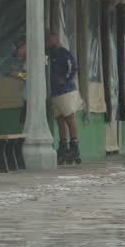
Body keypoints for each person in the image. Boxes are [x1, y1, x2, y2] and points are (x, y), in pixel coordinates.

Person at [46, 32, 82, 165]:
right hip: (55, 91)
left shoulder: (63, 53)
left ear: (55, 39)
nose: (48, 42)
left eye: (50, 39)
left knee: (69, 117)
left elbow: (73, 67)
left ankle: (74, 146)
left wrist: (65, 79)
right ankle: (63, 146)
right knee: (59, 119)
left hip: (66, 91)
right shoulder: (49, 54)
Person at [13, 40, 28, 127]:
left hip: (32, 99)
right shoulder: (25, 61)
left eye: (17, 49)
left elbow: (30, 76)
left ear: (24, 47)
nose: (17, 52)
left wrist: (16, 74)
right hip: (28, 99)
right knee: (23, 122)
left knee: (24, 122)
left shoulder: (31, 60)